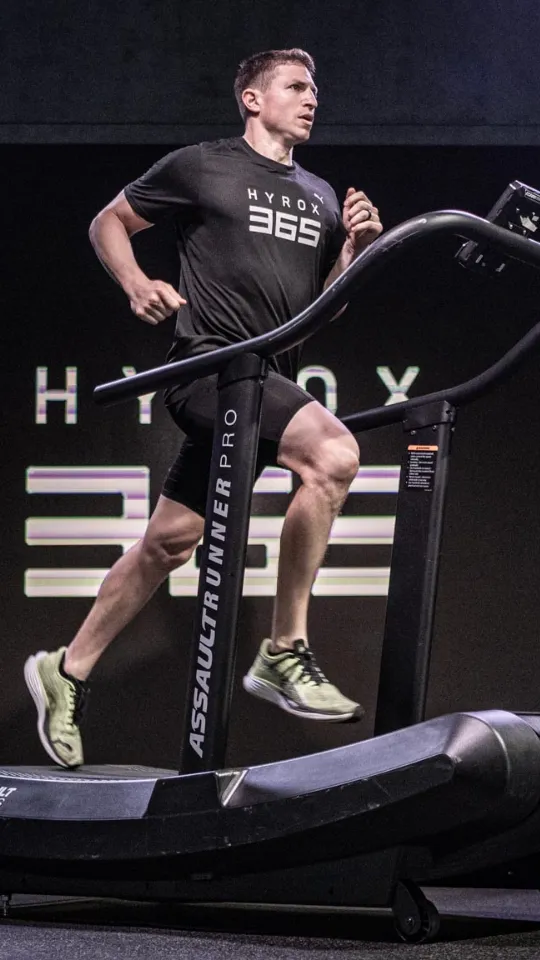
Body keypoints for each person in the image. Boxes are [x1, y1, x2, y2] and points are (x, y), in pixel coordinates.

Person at [24, 48, 383, 769]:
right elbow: (109, 222)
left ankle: (65, 670)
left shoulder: (318, 194)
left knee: (169, 543)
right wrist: (135, 284)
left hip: (261, 385)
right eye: (296, 87)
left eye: (316, 89)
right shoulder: (203, 165)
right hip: (209, 371)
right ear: (252, 99)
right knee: (335, 455)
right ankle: (284, 649)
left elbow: (313, 317)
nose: (312, 99)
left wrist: (354, 252)